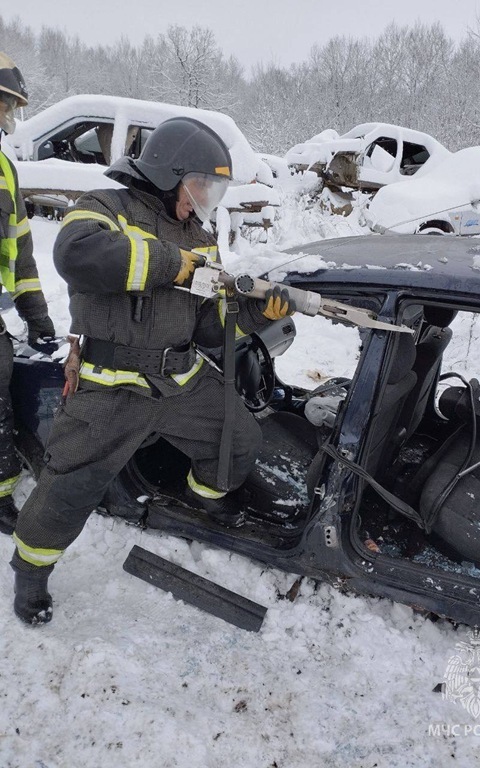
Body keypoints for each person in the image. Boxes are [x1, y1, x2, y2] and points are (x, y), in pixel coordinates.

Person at [10, 114, 295, 625]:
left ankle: (199, 502)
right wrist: (171, 263)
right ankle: (30, 573)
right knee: (69, 488)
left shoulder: (199, 235)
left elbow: (207, 326)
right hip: (110, 385)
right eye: (201, 187)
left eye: (213, 191)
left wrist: (255, 314)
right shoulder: (103, 206)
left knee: (237, 440)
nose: (204, 201)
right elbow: (76, 255)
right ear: (169, 172)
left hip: (179, 379)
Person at [0, 52, 55, 536]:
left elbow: (20, 253)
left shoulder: (4, 168)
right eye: (4, 104)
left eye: (10, 107)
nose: (7, 116)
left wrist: (36, 316)